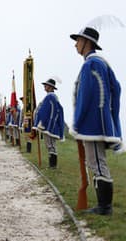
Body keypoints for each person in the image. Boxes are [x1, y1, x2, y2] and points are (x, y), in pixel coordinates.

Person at [70, 27, 122, 215]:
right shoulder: (98, 63)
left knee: (97, 163)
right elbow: (116, 89)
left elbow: (86, 97)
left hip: (92, 124)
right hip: (98, 121)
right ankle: (103, 205)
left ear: (87, 43)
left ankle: (104, 207)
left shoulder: (91, 64)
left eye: (79, 40)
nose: (76, 44)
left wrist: (78, 122)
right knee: (95, 162)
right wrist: (111, 116)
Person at [33, 77, 64, 168]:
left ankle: (53, 165)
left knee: (51, 145)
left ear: (50, 87)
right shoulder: (50, 97)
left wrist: (44, 123)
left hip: (50, 125)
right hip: (48, 125)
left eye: (46, 85)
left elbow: (48, 111)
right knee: (49, 144)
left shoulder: (50, 97)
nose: (44, 87)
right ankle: (52, 164)